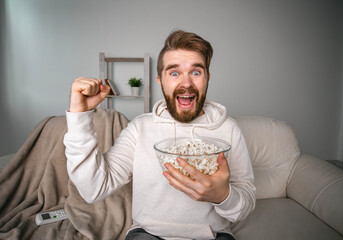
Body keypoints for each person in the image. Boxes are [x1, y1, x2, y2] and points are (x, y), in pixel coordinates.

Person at [64, 30, 256, 240]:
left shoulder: (228, 129)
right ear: (160, 81)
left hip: (213, 235)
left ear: (207, 77)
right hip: (148, 234)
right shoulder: (140, 128)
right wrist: (79, 115)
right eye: (174, 73)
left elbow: (244, 206)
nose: (186, 83)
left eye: (196, 72)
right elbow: (94, 189)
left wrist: (223, 196)